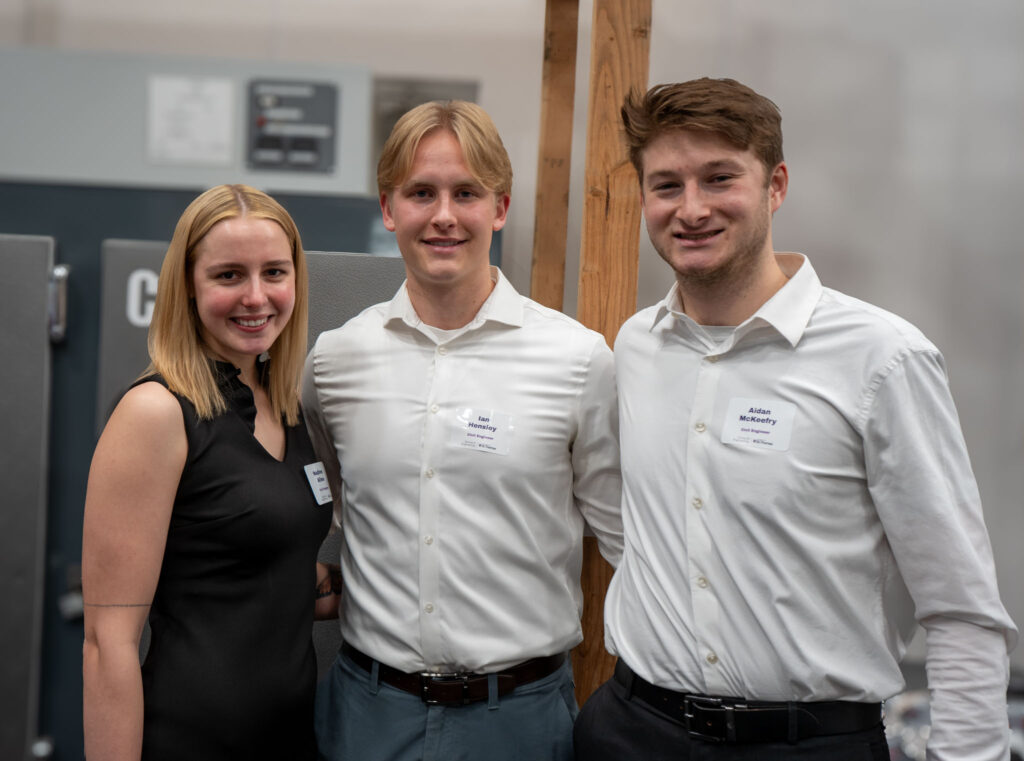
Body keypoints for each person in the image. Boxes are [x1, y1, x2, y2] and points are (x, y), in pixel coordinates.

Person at [573, 78, 1018, 760]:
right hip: (632, 732)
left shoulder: (881, 359)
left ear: (775, 185)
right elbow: (631, 530)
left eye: (719, 178)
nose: (691, 208)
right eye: (666, 185)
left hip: (807, 744)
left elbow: (960, 605)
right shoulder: (637, 346)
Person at [302, 99, 623, 761]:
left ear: (500, 207)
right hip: (367, 713)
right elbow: (330, 496)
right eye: (422, 193)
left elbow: (623, 535)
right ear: (389, 209)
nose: (444, 215)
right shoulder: (335, 361)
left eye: (466, 193)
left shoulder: (576, 359)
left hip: (520, 719)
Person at [82, 184, 337, 761]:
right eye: (229, 275)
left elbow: (261, 569)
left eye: (274, 272)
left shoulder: (284, 406)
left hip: (289, 741)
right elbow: (106, 644)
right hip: (189, 740)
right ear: (188, 286)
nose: (256, 296)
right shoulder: (157, 412)